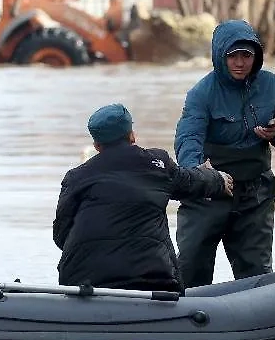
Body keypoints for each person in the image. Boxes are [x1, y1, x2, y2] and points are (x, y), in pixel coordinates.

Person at [53, 104, 234, 293]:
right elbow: (190, 182)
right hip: (150, 280)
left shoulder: (76, 177)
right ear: (132, 135)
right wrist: (219, 180)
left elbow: (61, 236)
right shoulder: (157, 163)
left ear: (96, 145)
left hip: (83, 283)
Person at [173, 19, 275, 288]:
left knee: (257, 271)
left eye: (246, 56)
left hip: (256, 193)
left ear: (256, 56)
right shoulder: (201, 93)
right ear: (220, 56)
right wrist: (197, 171)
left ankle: (258, 310)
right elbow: (188, 137)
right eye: (233, 56)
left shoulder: (272, 85)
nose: (240, 63)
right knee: (191, 265)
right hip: (210, 191)